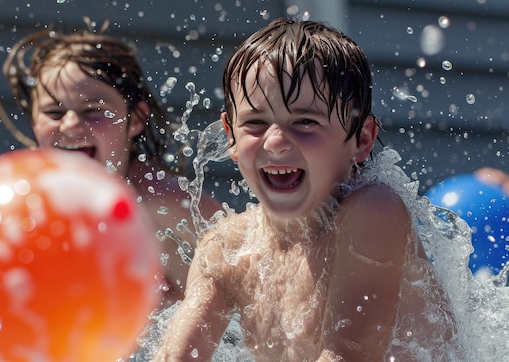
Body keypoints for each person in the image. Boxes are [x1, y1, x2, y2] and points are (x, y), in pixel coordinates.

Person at [151, 18, 465, 362]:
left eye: (305, 122)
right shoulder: (226, 249)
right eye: (255, 122)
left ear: (361, 140)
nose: (277, 142)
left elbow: (347, 355)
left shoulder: (373, 211)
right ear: (231, 135)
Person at [2, 21, 221, 309]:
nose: (69, 125)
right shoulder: (26, 209)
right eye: (54, 112)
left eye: (93, 111)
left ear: (136, 120)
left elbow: (251, 270)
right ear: (33, 121)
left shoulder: (161, 207)